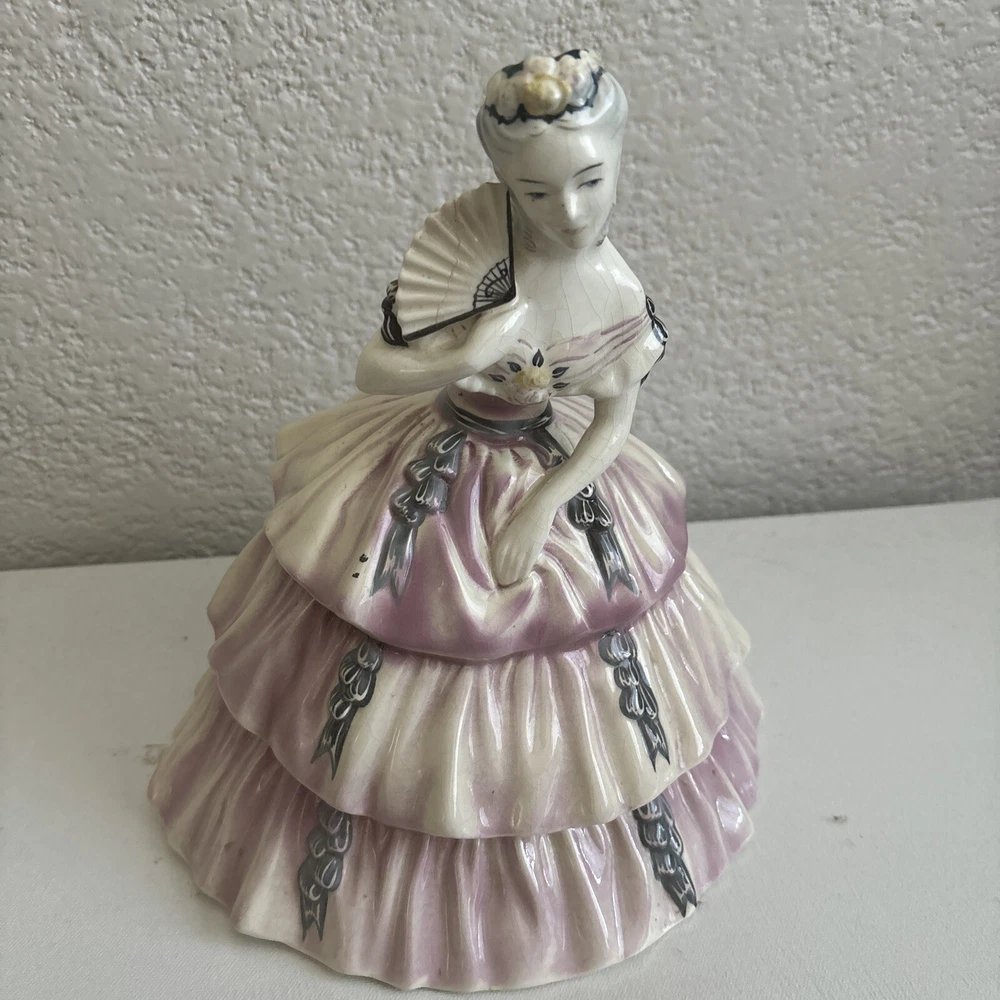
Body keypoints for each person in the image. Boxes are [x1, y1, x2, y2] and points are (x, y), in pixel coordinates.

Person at [149, 49, 762, 991]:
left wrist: (543, 509)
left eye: (591, 181)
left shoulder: (614, 294)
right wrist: (467, 353)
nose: (569, 212)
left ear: (620, 161)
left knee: (572, 650)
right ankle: (348, 868)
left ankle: (538, 870)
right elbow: (375, 370)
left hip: (544, 469)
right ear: (503, 181)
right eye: (538, 192)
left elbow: (611, 422)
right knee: (373, 618)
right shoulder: (484, 260)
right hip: (433, 450)